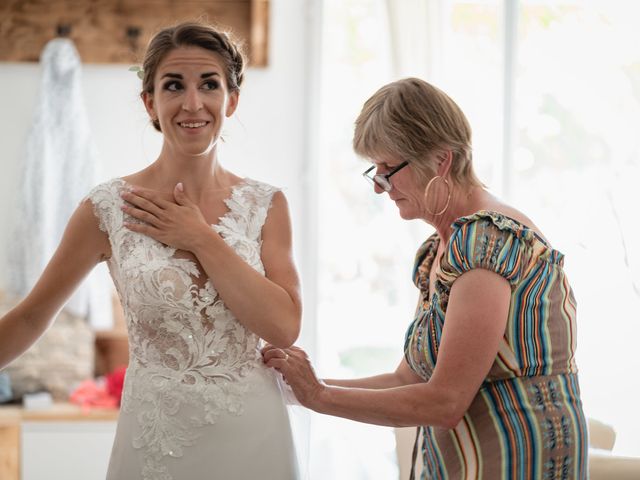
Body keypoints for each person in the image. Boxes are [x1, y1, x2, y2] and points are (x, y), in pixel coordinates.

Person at [0, 22, 302, 480]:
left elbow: (283, 326)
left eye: (210, 85)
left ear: (232, 100)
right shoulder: (106, 208)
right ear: (151, 103)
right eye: (173, 86)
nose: (192, 103)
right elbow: (29, 317)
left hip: (254, 436)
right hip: (156, 440)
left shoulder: (267, 205)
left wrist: (200, 237)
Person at [263, 77, 588, 479]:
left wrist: (320, 397)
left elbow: (444, 403)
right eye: (375, 171)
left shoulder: (486, 243)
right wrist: (299, 389)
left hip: (516, 461)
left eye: (388, 169)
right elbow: (407, 378)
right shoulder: (443, 248)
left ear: (440, 160)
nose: (380, 188)